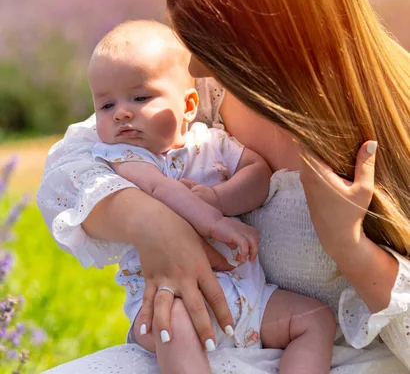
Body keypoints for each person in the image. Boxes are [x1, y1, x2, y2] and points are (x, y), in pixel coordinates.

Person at [38, 0, 410, 374]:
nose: (194, 68)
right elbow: (72, 162)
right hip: (211, 347)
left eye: (210, 50)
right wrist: (152, 221)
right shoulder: (217, 97)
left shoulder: (391, 126)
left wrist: (348, 245)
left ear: (271, 49)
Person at [88, 19, 336, 374]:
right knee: (172, 326)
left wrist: (220, 198)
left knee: (316, 320)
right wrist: (215, 221)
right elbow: (162, 189)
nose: (122, 112)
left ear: (189, 105)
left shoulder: (211, 142)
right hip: (173, 300)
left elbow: (259, 172)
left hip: (249, 298)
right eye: (106, 105)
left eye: (140, 97)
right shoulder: (123, 157)